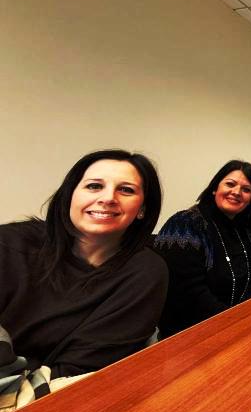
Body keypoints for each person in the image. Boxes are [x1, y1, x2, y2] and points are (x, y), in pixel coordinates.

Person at [0, 149, 168, 382]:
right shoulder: (9, 243)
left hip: (52, 394)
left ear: (142, 209)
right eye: (94, 186)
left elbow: (79, 371)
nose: (108, 198)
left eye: (126, 190)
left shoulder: (145, 272)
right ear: (70, 195)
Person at [155, 161, 251, 338]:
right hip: (187, 336)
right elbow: (187, 293)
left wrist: (248, 317)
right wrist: (234, 322)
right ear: (215, 188)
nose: (237, 192)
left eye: (246, 189)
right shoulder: (184, 225)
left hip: (238, 328)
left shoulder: (245, 231)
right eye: (230, 184)